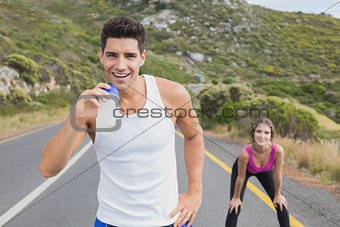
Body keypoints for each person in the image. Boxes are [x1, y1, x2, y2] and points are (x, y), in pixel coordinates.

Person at [39, 16, 204, 227]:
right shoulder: (92, 105)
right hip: (111, 222)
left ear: (142, 57)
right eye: (112, 55)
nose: (120, 65)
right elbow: (48, 169)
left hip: (170, 221)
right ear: (101, 56)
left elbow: (193, 137)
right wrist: (77, 117)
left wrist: (195, 193)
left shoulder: (171, 94)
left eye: (130, 56)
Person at [225, 117, 290, 227]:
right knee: (235, 207)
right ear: (253, 133)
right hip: (244, 170)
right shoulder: (245, 153)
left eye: (266, 132)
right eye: (259, 131)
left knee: (281, 205)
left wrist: (278, 195)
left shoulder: (278, 151)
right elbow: (240, 178)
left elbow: (277, 175)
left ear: (271, 135)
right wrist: (236, 198)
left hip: (265, 171)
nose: (262, 136)